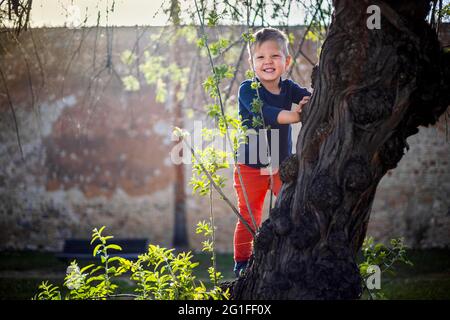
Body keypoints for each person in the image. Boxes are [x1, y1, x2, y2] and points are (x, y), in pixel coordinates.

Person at [233, 27, 312, 277]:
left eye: (275, 56)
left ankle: (295, 255)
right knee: (250, 215)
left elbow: (309, 98)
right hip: (250, 166)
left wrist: (308, 102)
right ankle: (243, 263)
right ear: (251, 62)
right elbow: (264, 113)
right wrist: (296, 115)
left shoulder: (289, 88)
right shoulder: (248, 90)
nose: (268, 62)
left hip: (280, 166)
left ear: (286, 61)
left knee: (292, 207)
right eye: (260, 57)